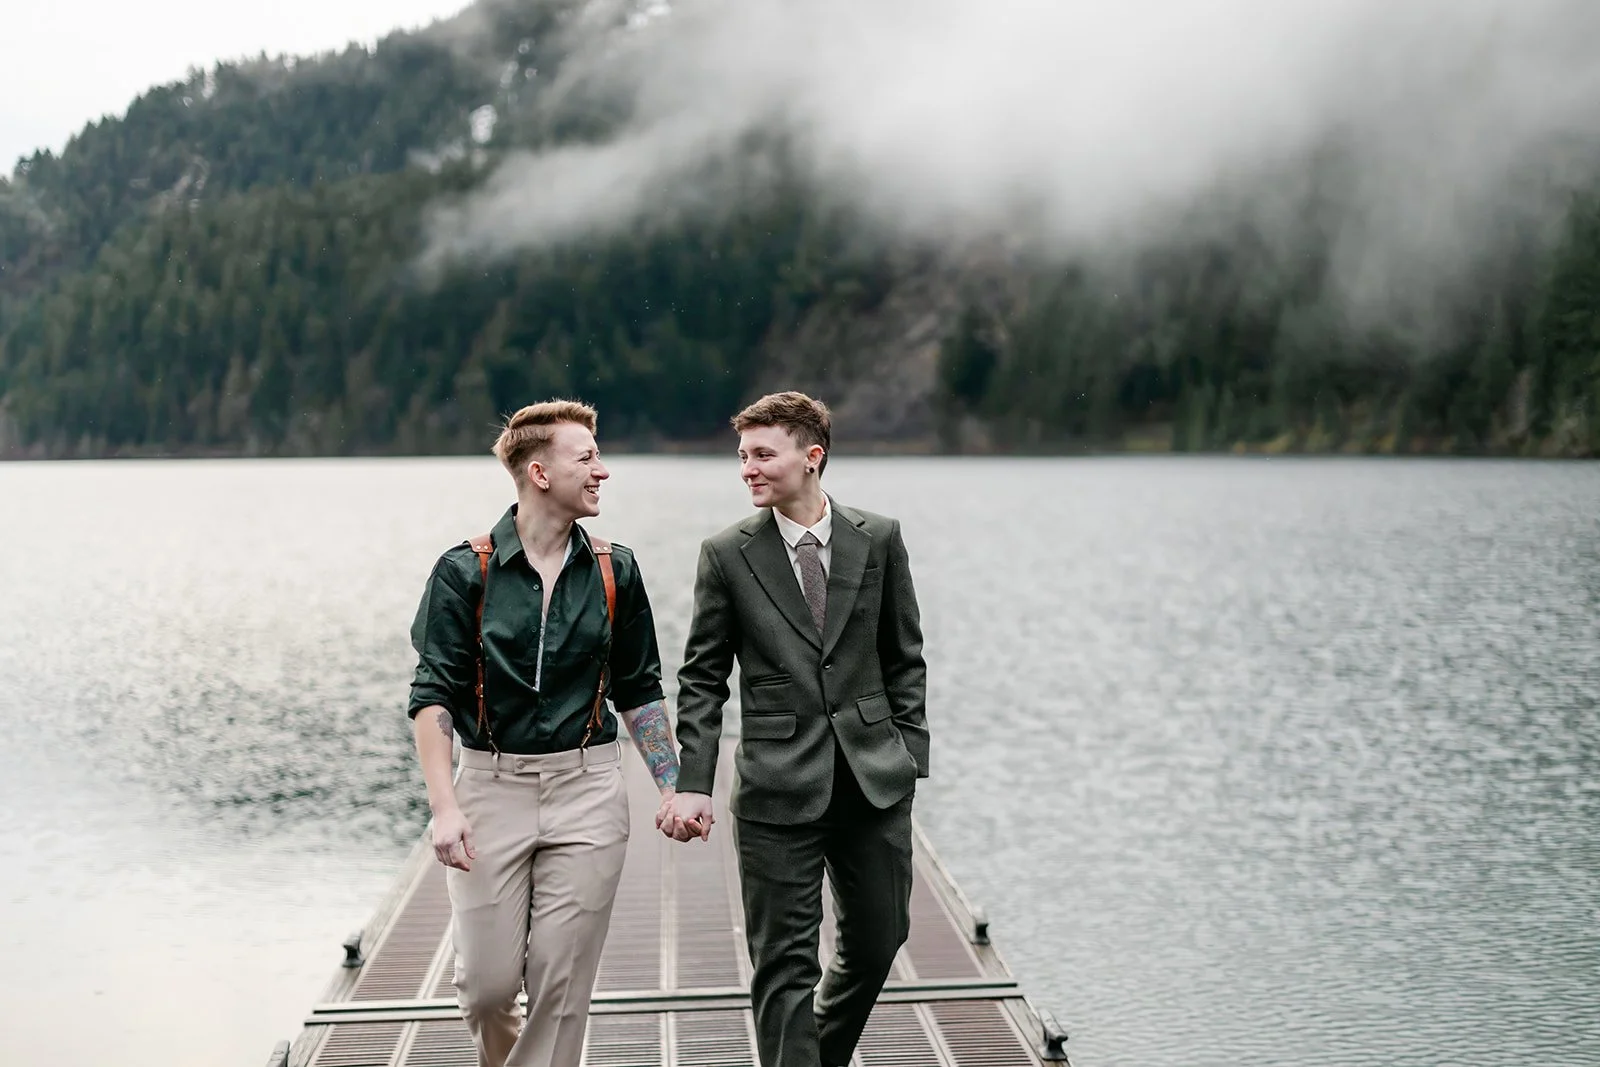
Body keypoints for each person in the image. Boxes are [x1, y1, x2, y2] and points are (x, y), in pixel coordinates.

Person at [406, 400, 681, 1067]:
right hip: (489, 789)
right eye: (586, 458)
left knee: (560, 987)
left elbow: (639, 690)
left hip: (588, 790)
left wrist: (673, 786)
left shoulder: (616, 569)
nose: (602, 471)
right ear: (539, 472)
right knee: (486, 989)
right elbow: (431, 697)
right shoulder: (463, 572)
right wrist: (445, 808)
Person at [662, 391, 931, 1067]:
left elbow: (904, 656)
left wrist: (908, 756)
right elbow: (702, 678)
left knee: (880, 939)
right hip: (776, 787)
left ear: (812, 456)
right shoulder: (726, 555)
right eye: (742, 456)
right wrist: (693, 781)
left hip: (873, 780)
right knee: (783, 965)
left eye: (762, 454)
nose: (746, 469)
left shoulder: (879, 537)